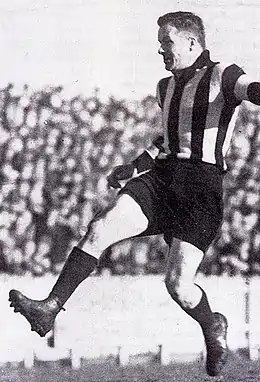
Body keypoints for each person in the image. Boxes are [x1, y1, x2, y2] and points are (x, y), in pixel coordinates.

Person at [9, 11, 260, 377]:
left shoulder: (223, 74)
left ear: (192, 43)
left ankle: (211, 324)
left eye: (167, 43)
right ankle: (50, 306)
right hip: (162, 178)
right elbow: (168, 139)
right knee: (101, 226)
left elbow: (251, 90)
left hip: (201, 188)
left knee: (178, 285)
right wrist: (133, 166)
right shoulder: (166, 86)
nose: (161, 50)